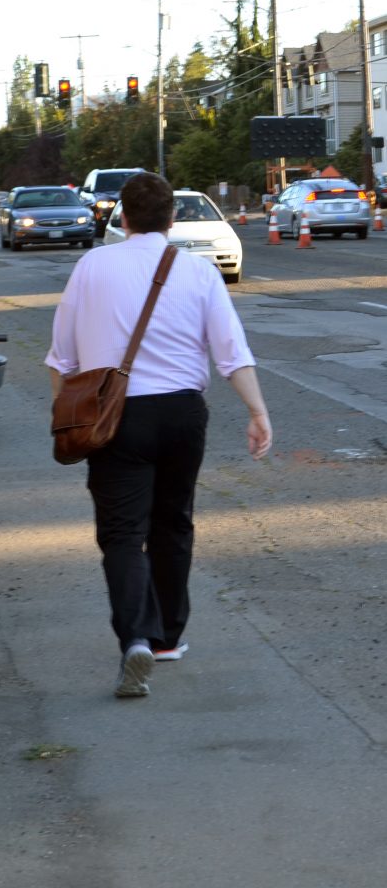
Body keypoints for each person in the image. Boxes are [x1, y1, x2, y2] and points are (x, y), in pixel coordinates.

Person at [45, 172, 272, 699]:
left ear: (120, 218)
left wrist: (69, 413)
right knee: (173, 523)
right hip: (182, 415)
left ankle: (135, 640)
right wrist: (257, 412)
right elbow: (231, 353)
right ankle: (168, 636)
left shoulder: (91, 267)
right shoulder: (198, 273)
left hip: (114, 418)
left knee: (123, 534)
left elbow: (62, 359)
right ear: (172, 220)